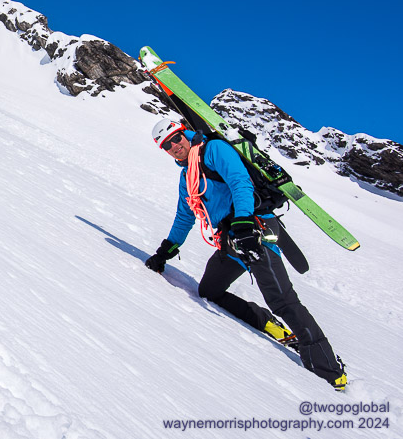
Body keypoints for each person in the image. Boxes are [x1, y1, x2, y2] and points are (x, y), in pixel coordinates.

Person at [144, 118, 347, 391]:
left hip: (254, 229)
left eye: (175, 138)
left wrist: (243, 224)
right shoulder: (187, 177)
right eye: (167, 145)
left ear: (184, 132)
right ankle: (266, 323)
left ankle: (330, 370)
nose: (174, 146)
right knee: (209, 291)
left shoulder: (213, 149)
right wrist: (164, 252)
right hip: (230, 240)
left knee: (282, 299)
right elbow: (185, 217)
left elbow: (240, 183)